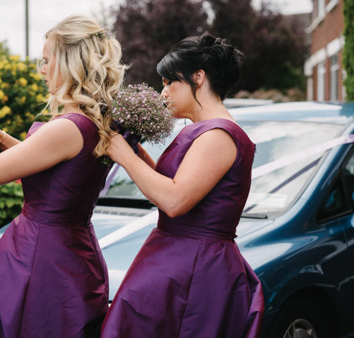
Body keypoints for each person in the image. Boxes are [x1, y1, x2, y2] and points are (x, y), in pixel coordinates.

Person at [0, 15, 125, 338]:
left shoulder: (68, 125)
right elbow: (53, 173)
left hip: (43, 256)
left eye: (47, 61)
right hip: (71, 246)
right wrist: (0, 136)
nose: (42, 70)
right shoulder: (90, 121)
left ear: (70, 62)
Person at [101, 34, 264, 338]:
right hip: (176, 256)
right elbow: (169, 185)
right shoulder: (200, 130)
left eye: (168, 82)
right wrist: (135, 152)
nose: (163, 93)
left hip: (195, 266)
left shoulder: (219, 135)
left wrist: (125, 157)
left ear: (198, 78)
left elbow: (175, 200)